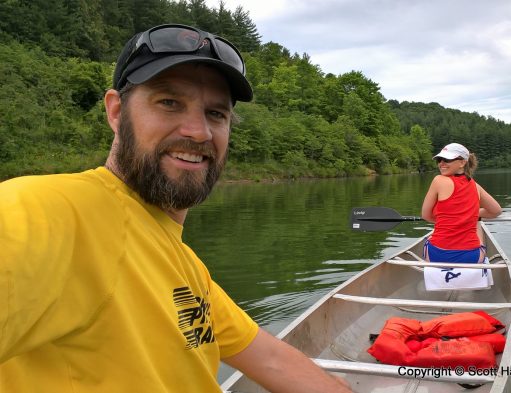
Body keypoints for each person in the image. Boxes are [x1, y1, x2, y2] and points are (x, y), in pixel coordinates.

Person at [0, 24, 351, 393]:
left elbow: (270, 359)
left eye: (216, 114)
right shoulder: (51, 212)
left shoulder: (184, 265)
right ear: (116, 112)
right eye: (169, 103)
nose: (199, 132)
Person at [421, 143, 502, 266]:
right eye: (439, 159)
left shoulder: (438, 180)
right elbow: (496, 211)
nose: (441, 163)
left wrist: (449, 219)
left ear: (463, 162)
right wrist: (473, 215)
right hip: (472, 256)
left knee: (431, 241)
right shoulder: (475, 186)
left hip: (437, 254)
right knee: (476, 221)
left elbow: (426, 215)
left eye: (447, 159)